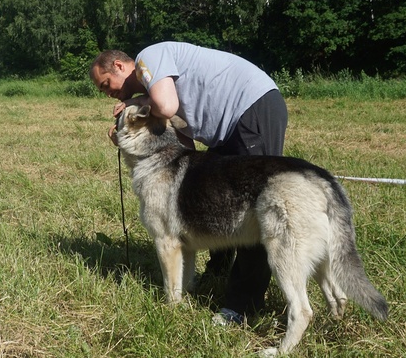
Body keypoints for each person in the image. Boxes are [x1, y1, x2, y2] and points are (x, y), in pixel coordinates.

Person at [89, 41, 288, 326]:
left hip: (251, 107)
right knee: (215, 197)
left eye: (106, 83)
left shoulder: (149, 60)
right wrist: (126, 142)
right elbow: (181, 148)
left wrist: (136, 103)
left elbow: (166, 106)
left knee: (254, 210)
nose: (107, 92)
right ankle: (217, 272)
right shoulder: (154, 87)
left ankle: (242, 307)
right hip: (230, 127)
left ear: (120, 66)